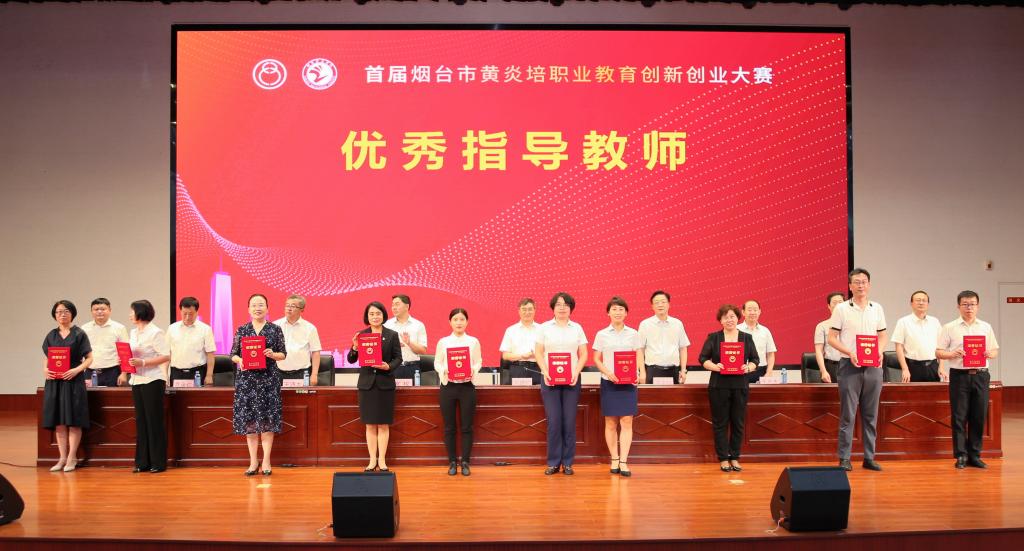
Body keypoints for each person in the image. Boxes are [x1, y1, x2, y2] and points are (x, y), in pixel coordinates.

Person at [828, 268, 888, 472]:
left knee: (871, 414)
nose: (861, 285)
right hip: (849, 366)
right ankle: (844, 457)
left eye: (864, 282)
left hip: (873, 367)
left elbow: (882, 335)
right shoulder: (842, 309)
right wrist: (849, 352)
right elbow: (832, 338)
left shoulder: (876, 308)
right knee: (848, 414)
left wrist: (879, 351)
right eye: (857, 282)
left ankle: (869, 457)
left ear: (869, 285)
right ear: (850, 286)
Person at [936, 291, 1000, 469]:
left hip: (981, 375)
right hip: (959, 376)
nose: (969, 307)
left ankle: (975, 455)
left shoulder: (986, 327)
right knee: (959, 416)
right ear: (958, 306)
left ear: (978, 306)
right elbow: (939, 352)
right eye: (965, 304)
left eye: (972, 304)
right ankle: (961, 455)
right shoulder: (949, 327)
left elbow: (995, 350)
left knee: (979, 416)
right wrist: (952, 354)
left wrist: (990, 354)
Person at [230, 293, 287, 476]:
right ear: (248, 309)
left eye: (261, 304)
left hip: (268, 380)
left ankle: (267, 461)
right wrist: (240, 360)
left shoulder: (275, 329)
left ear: (267, 308)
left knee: (267, 422)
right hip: (246, 381)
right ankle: (253, 462)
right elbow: (233, 354)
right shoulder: (242, 329)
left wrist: (272, 354)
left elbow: (283, 354)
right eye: (254, 305)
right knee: (250, 422)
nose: (257, 308)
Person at [699, 304, 759, 472]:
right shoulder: (714, 337)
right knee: (720, 423)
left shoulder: (746, 338)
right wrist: (715, 366)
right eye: (725, 317)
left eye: (732, 316)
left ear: (738, 318)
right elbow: (702, 359)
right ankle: (723, 458)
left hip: (740, 385)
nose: (729, 320)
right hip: (719, 386)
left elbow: (755, 360)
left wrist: (749, 367)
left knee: (738, 423)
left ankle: (735, 457)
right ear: (720, 320)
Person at [535, 292, 588, 476]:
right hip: (549, 380)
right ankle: (553, 462)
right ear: (553, 307)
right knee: (554, 421)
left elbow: (584, 353)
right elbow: (538, 352)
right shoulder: (544, 328)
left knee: (569, 421)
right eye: (558, 304)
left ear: (571, 308)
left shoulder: (577, 328)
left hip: (572, 379)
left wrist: (576, 372)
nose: (562, 308)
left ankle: (567, 462)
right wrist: (545, 371)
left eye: (566, 304)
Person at [347, 301, 402, 472]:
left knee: (383, 424)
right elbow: (351, 359)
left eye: (378, 313)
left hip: (385, 384)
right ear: (367, 316)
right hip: (367, 385)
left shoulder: (392, 335)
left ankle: (382, 460)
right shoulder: (362, 335)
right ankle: (372, 460)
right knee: (370, 424)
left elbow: (398, 358)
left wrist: (388, 366)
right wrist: (355, 347)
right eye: (371, 314)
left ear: (383, 315)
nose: (375, 317)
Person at [592, 297, 644, 477]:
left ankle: (624, 461)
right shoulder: (601, 334)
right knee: (611, 421)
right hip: (609, 381)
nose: (618, 312)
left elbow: (638, 354)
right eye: (614, 309)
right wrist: (608, 372)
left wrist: (641, 372)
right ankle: (614, 458)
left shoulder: (633, 333)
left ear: (626, 313)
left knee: (627, 420)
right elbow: (596, 359)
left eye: (621, 309)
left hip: (628, 382)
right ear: (608, 312)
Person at [41, 300, 93, 472]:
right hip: (55, 381)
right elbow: (47, 357)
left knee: (74, 420)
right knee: (59, 421)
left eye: (66, 311)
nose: (62, 314)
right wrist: (45, 369)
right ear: (54, 315)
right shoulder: (51, 335)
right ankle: (62, 458)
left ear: (72, 313)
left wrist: (76, 370)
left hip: (73, 380)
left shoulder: (79, 334)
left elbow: (90, 358)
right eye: (58, 312)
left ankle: (72, 457)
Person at [120, 300, 170, 473]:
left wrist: (143, 362)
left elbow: (165, 356)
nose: (130, 315)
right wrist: (125, 361)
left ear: (140, 312)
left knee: (153, 421)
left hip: (152, 380)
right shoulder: (133, 332)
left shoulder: (155, 332)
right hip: (136, 380)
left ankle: (158, 462)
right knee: (141, 421)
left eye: (132, 311)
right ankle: (142, 462)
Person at [434, 308, 483, 476]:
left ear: (467, 322)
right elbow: (437, 363)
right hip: (448, 386)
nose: (459, 322)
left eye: (462, 319)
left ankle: (466, 462)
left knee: (467, 427)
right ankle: (452, 462)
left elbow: (478, 361)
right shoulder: (443, 342)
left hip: (467, 387)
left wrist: (473, 369)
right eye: (455, 319)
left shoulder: (473, 341)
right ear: (450, 322)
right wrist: (444, 370)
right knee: (449, 427)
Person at [891, 291, 945, 383]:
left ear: (928, 304)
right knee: (912, 392)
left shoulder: (934, 321)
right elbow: (899, 347)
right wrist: (905, 369)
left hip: (932, 366)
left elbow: (941, 346)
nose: (921, 303)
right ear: (911, 303)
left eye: (924, 300)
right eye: (918, 300)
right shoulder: (903, 322)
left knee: (934, 392)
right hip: (912, 367)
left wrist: (941, 367)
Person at [638, 290, 690, 384]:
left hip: (673, 370)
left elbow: (683, 348)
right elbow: (640, 349)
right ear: (652, 306)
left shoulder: (677, 324)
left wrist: (683, 370)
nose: (660, 305)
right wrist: (642, 372)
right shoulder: (645, 324)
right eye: (656, 302)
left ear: (669, 304)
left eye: (663, 302)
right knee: (652, 394)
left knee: (673, 394)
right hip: (653, 370)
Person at [166, 296, 216, 387]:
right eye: (184, 313)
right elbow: (167, 354)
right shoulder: (172, 328)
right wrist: (165, 375)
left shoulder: (205, 329)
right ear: (180, 311)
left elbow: (210, 354)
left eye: (191, 314)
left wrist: (209, 375)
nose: (187, 317)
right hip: (176, 373)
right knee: (176, 396)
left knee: (197, 396)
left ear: (197, 312)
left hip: (197, 373)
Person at [274, 294, 322, 386]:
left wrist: (314, 374)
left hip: (302, 373)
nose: (289, 308)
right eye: (287, 305)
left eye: (293, 306)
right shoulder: (275, 326)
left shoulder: (310, 328)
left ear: (302, 309)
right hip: (278, 372)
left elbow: (316, 352)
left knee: (302, 396)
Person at [80, 298, 129, 387]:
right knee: (90, 396)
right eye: (96, 309)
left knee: (112, 396)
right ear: (91, 312)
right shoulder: (84, 328)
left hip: (112, 371)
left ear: (110, 310)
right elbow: (80, 351)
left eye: (103, 309)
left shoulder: (119, 328)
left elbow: (125, 352)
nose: (99, 312)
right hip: (90, 371)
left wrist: (124, 373)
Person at [384, 294, 428, 382]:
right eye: (392, 305)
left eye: (397, 304)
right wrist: (394, 346)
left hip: (412, 368)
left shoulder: (418, 325)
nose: (394, 307)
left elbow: (423, 351)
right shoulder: (387, 325)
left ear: (407, 306)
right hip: (393, 368)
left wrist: (409, 343)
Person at [499, 298, 543, 384]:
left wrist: (537, 354)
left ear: (535, 310)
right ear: (519, 311)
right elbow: (505, 355)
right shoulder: (511, 330)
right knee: (518, 393)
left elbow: (547, 352)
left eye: (530, 309)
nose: (527, 312)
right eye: (524, 309)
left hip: (538, 369)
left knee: (538, 393)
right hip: (518, 370)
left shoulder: (542, 329)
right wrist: (522, 356)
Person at [738, 299, 777, 383]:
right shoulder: (736, 330)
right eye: (749, 310)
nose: (752, 312)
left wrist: (769, 372)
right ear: (743, 312)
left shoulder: (765, 331)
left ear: (759, 312)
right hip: (741, 371)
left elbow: (770, 354)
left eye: (755, 310)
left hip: (761, 371)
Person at [813, 292, 845, 383]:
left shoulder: (852, 325)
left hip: (849, 365)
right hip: (831, 366)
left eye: (840, 302)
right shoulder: (822, 326)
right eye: (834, 302)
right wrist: (823, 371)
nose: (838, 305)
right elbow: (819, 350)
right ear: (829, 306)